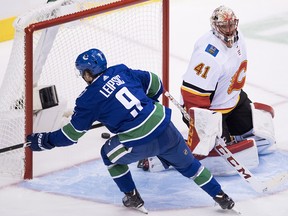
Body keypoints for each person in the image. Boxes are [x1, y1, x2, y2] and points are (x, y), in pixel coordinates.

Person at [27, 48, 235, 212]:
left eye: (83, 72)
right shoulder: (121, 70)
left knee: (108, 155)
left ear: (88, 73)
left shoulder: (87, 99)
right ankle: (222, 197)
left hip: (140, 141)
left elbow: (71, 136)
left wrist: (44, 140)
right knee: (191, 166)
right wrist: (147, 103)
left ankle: (132, 197)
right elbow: (155, 81)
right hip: (163, 124)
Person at [180, 5, 276, 157]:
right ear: (215, 26)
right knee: (212, 149)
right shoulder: (208, 55)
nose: (229, 29)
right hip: (211, 111)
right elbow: (192, 95)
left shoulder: (240, 38)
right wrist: (203, 127)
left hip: (233, 99)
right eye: (224, 26)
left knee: (256, 134)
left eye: (232, 24)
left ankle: (232, 129)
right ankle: (168, 156)